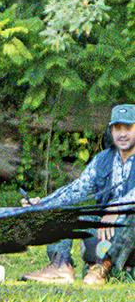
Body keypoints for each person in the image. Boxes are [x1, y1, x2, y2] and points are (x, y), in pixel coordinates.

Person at [21, 103, 135, 285]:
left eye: (128, 128)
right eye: (117, 128)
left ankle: (101, 268)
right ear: (111, 131)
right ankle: (61, 266)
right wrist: (43, 203)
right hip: (106, 231)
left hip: (130, 234)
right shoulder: (102, 160)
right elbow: (76, 189)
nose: (122, 134)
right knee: (62, 211)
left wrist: (116, 209)